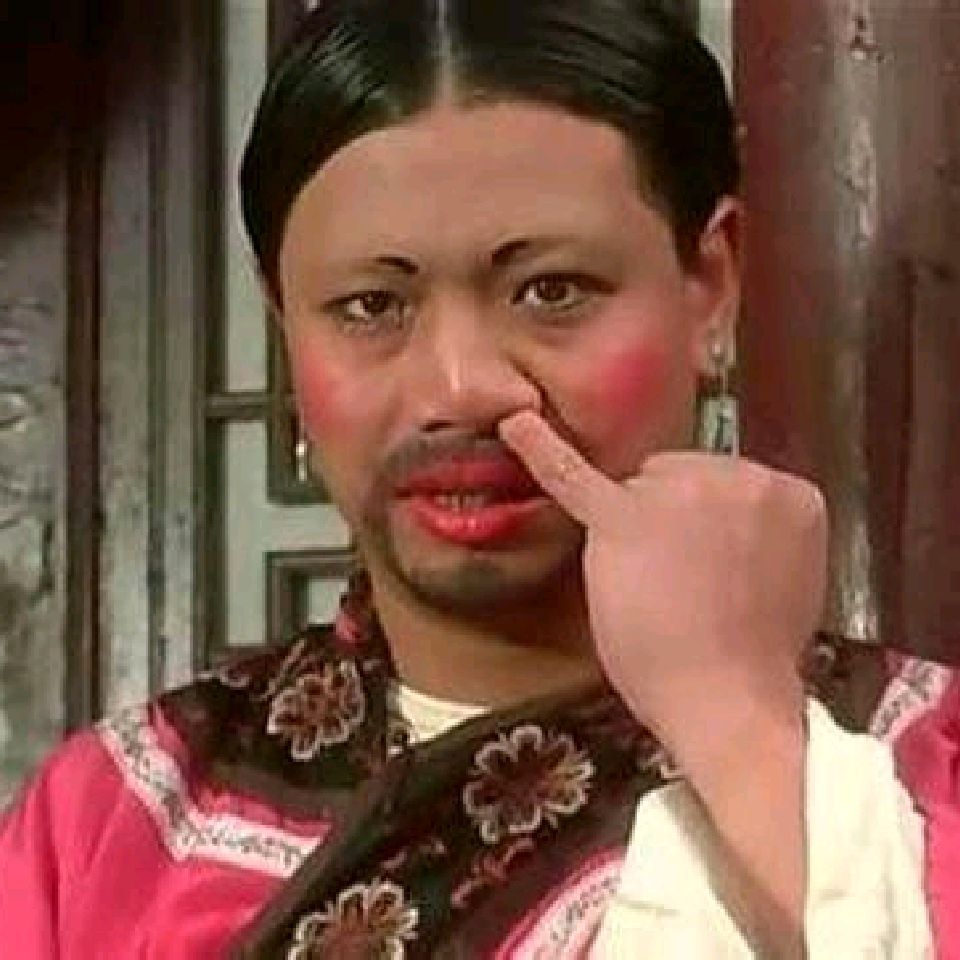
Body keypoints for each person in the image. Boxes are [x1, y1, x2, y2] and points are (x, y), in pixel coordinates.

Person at [1, 1, 956, 956]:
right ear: (284, 324)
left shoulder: (924, 766)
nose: (460, 389)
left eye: (552, 291)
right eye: (371, 306)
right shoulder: (112, 829)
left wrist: (740, 726)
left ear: (710, 284)